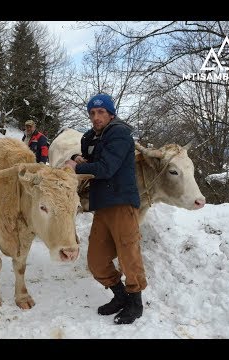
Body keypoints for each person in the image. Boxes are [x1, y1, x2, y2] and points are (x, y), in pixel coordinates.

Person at [64, 93, 146, 325]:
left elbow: (107, 167)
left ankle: (135, 303)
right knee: (96, 260)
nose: (96, 117)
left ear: (111, 113)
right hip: (102, 206)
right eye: (92, 113)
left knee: (129, 254)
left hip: (121, 202)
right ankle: (120, 297)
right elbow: (89, 159)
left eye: (101, 112)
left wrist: (76, 168)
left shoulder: (119, 133)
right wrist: (77, 159)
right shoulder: (90, 136)